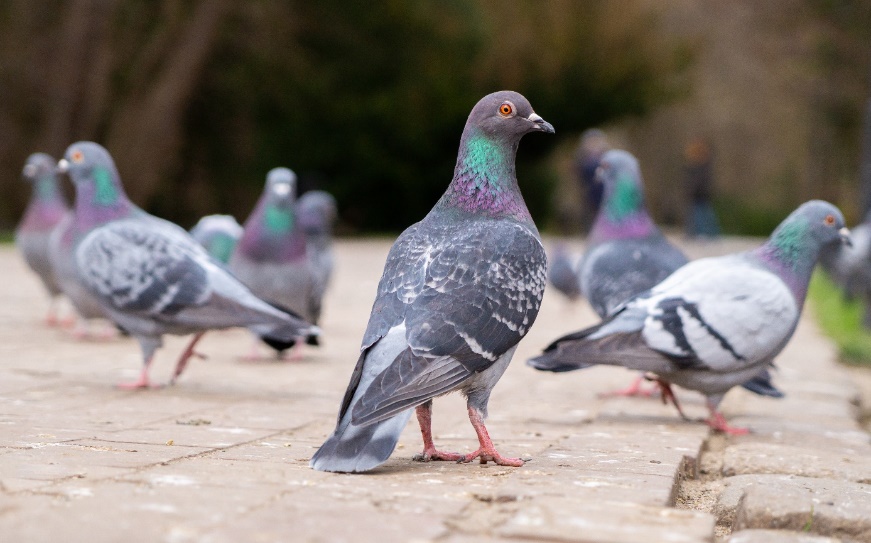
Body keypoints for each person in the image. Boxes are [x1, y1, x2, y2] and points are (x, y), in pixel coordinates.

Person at [574, 128, 610, 232]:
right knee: (590, 213)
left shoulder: (606, 156)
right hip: (589, 190)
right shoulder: (582, 157)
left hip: (604, 190)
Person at [684, 137, 720, 238]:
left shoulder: (702, 166)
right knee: (701, 215)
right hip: (700, 194)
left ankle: (706, 234)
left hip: (700, 194)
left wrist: (692, 190)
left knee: (701, 215)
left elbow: (699, 182)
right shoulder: (700, 166)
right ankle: (702, 234)